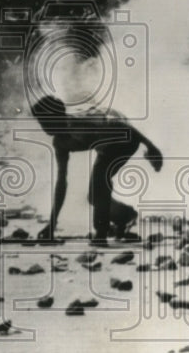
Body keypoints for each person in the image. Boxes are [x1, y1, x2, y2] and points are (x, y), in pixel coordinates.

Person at [31, 95, 163, 245]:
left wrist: (152, 148)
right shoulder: (60, 143)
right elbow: (62, 182)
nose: (43, 127)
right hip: (106, 145)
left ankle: (101, 232)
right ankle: (125, 216)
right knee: (93, 196)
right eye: (40, 122)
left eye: (45, 121)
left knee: (100, 181)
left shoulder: (79, 122)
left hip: (126, 138)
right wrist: (52, 224)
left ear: (57, 116)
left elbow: (123, 126)